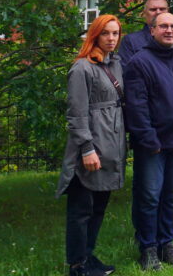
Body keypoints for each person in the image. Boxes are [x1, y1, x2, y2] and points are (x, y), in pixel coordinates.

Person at [118, 0, 173, 246]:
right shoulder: (139, 61)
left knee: (172, 194)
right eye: (163, 26)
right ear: (151, 30)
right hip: (152, 143)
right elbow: (137, 106)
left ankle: (167, 242)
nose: (169, 30)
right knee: (150, 196)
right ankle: (147, 247)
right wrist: (148, 138)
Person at [57, 15, 125, 276]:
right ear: (94, 35)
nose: (111, 39)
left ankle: (88, 256)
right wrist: (87, 149)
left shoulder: (115, 64)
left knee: (98, 209)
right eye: (106, 33)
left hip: (111, 147)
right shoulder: (81, 68)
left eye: (115, 34)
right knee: (81, 210)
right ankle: (77, 265)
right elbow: (76, 114)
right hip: (90, 148)